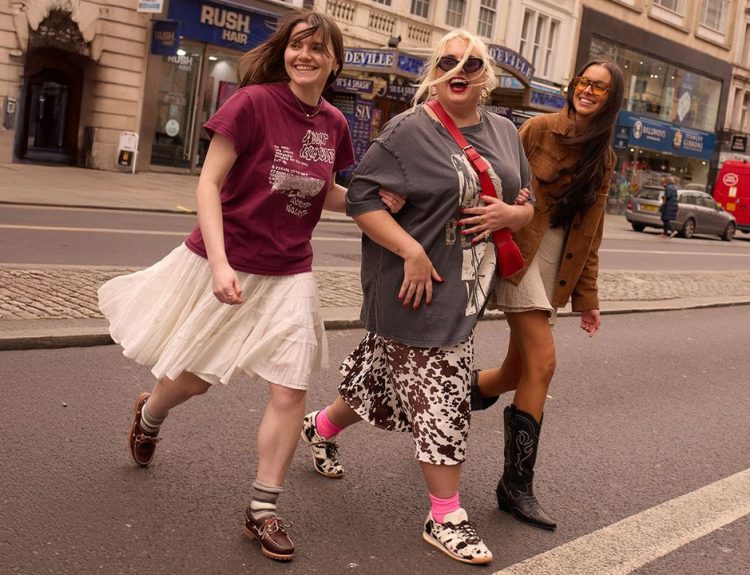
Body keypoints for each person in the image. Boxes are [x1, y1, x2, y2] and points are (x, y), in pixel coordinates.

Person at [97, 10, 401, 562]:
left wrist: (371, 200)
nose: (305, 55)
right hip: (230, 258)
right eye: (297, 45)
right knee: (195, 380)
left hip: (291, 269)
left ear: (334, 62)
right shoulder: (253, 103)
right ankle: (150, 414)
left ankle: (262, 509)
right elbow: (208, 184)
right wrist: (219, 265)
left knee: (290, 388)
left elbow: (323, 191)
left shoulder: (333, 123)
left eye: (318, 48)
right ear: (284, 51)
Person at [298, 30, 534, 565]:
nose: (459, 71)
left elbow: (527, 200)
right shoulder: (408, 129)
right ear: (434, 70)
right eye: (448, 62)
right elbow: (360, 197)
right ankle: (445, 516)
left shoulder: (504, 131)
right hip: (415, 287)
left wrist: (513, 215)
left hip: (466, 290)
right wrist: (410, 250)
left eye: (471, 64)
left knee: (380, 382)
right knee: (444, 396)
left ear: (485, 76)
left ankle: (320, 427)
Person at [470, 59, 625, 531]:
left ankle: (457, 395)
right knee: (543, 364)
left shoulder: (604, 156)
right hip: (520, 253)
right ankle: (515, 486)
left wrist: (588, 298)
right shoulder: (538, 130)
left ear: (612, 99)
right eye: (584, 82)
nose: (588, 91)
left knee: (516, 372)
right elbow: (495, 177)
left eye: (600, 87)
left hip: (556, 264)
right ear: (573, 85)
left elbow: (591, 233)